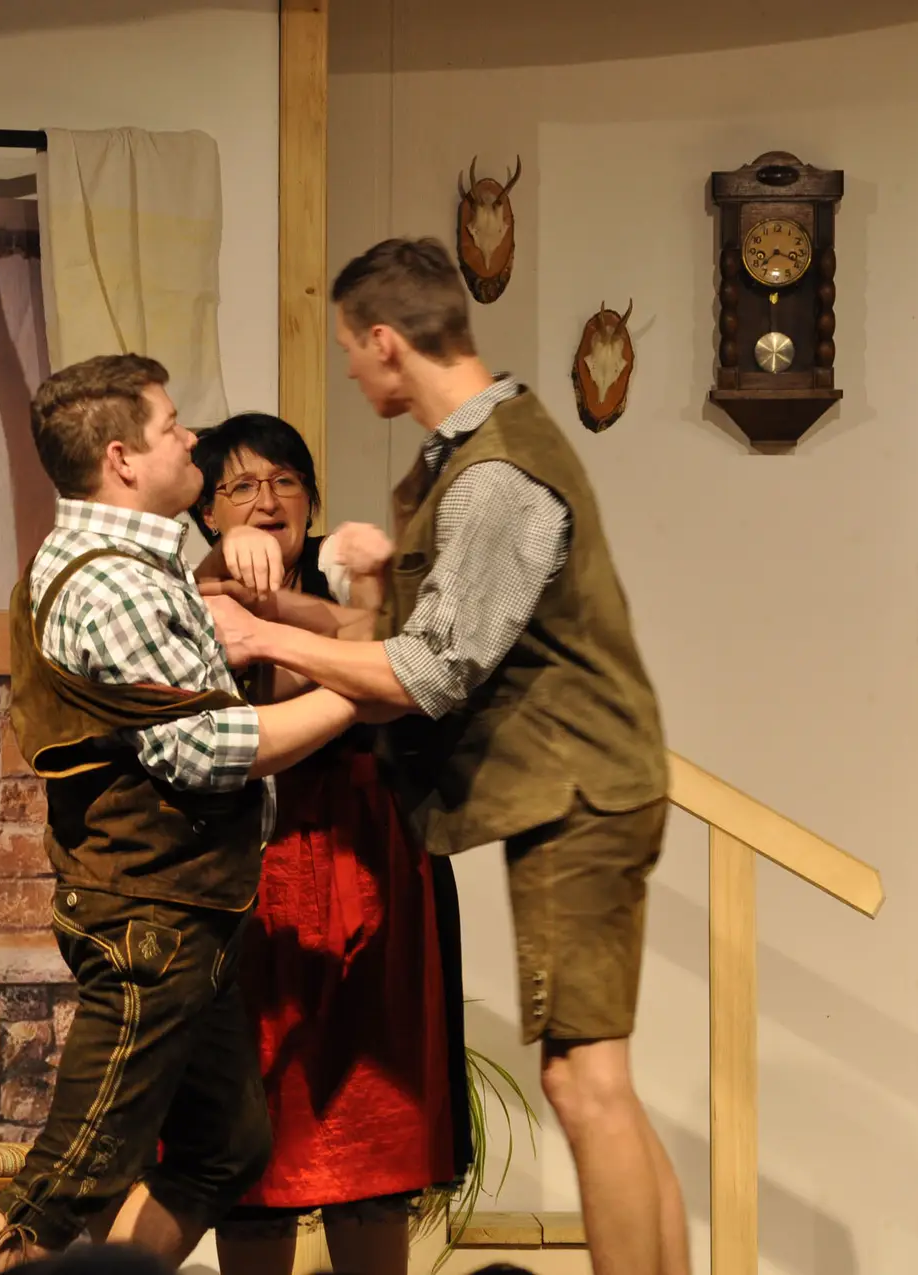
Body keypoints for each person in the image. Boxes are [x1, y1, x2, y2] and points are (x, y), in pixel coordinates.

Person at [202, 238, 688, 1275]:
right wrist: (286, 608)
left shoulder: (495, 476)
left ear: (385, 342)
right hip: (573, 792)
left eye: (349, 350)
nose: (349, 371)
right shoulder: (463, 460)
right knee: (595, 1079)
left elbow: (429, 671)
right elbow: (398, 635)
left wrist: (263, 634)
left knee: (584, 1082)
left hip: (579, 793)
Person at [0, 355, 383, 1274]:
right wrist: (365, 691)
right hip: (149, 919)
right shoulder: (114, 582)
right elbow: (206, 749)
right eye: (171, 426)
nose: (191, 436)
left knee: (223, 1147)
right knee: (68, 1175)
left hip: (190, 913)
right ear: (121, 459)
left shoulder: (134, 566)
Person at [184, 413, 471, 1275]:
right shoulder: (190, 585)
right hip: (255, 870)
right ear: (206, 510)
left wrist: (334, 607)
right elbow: (316, 682)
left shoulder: (349, 576)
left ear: (310, 500)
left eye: (286, 481)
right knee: (254, 1136)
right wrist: (345, 627)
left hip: (372, 866)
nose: (267, 500)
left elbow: (402, 667)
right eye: (241, 485)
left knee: (374, 1133)